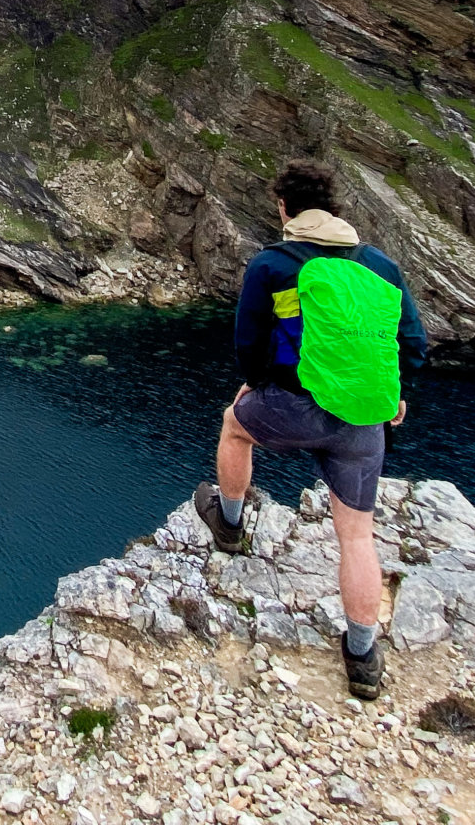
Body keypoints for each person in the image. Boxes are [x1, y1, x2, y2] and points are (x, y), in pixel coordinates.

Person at [192, 158, 429, 700]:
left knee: (234, 426)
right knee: (356, 535)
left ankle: (229, 525)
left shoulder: (273, 264)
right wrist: (395, 396)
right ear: (336, 209)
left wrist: (253, 386)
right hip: (362, 420)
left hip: (293, 405)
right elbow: (412, 344)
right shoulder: (380, 266)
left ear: (284, 208)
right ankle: (364, 656)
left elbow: (248, 340)